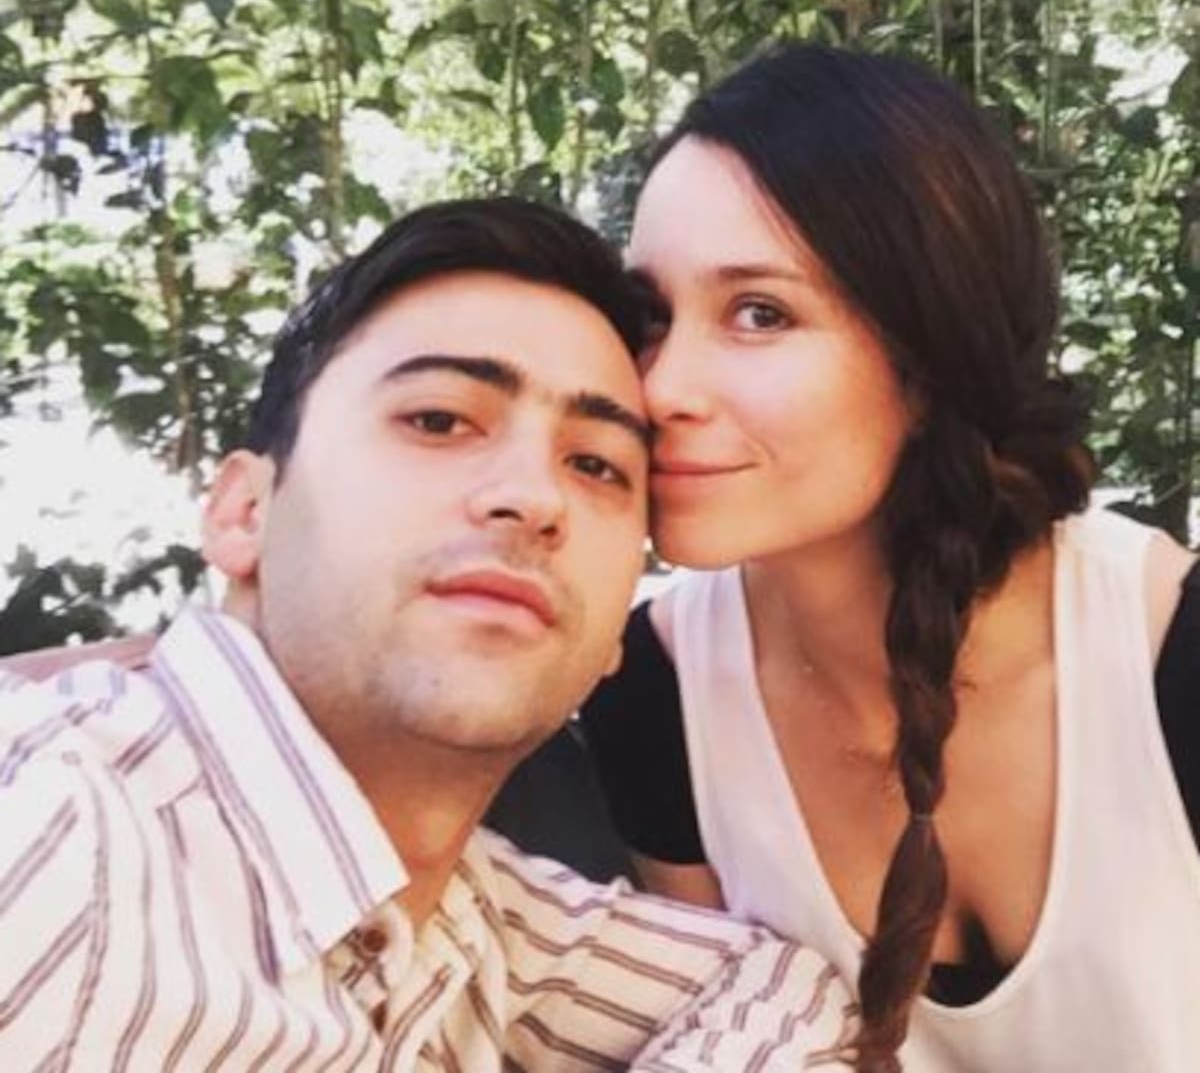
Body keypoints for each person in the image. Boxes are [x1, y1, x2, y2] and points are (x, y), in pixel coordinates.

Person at [0, 198, 854, 1071]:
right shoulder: (55, 829)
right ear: (245, 513)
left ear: (612, 641)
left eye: (596, 464)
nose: (534, 497)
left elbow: (779, 989)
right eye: (439, 420)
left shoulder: (473, 923)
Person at [581, 43, 1200, 1072]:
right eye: (650, 319)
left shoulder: (1168, 655)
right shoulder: (656, 692)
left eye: (759, 313)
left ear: (929, 355)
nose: (660, 388)